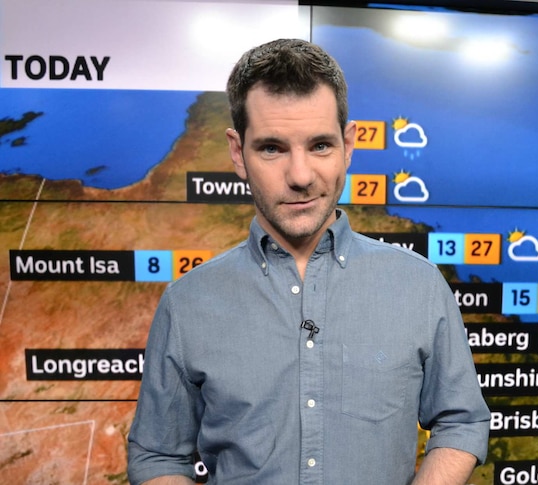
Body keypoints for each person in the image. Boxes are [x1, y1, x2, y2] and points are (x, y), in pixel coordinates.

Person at [126, 38, 490, 484]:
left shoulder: (420, 286)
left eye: (319, 145)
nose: (300, 176)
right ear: (238, 153)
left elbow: (462, 421)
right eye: (272, 148)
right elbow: (158, 456)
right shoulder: (187, 303)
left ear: (349, 144)